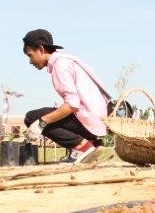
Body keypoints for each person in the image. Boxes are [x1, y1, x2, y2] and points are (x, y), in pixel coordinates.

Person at [21, 29, 109, 164]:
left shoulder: (59, 65)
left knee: (32, 118)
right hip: (99, 121)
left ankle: (82, 147)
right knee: (53, 113)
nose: (30, 61)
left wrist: (42, 122)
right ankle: (92, 142)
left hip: (89, 120)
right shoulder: (69, 60)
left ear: (41, 49)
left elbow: (73, 105)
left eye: (30, 55)